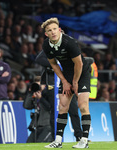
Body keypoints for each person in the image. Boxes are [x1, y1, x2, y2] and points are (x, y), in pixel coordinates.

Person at [41, 18, 91, 148]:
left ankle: (84, 141)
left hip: (82, 72)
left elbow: (79, 63)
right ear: (46, 34)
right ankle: (58, 141)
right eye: (49, 30)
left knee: (82, 105)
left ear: (59, 29)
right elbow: (53, 64)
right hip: (67, 75)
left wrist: (74, 82)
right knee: (62, 107)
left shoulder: (69, 42)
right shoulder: (46, 45)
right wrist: (64, 81)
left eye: (54, 29)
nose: (53, 32)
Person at [35, 50, 83, 142]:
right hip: (53, 85)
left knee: (73, 111)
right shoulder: (49, 47)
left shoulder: (68, 48)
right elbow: (39, 59)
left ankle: (79, 136)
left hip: (67, 84)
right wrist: (55, 65)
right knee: (55, 112)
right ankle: (55, 138)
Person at [23, 76, 54, 143]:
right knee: (28, 144)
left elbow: (50, 107)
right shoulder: (36, 95)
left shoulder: (49, 93)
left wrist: (41, 98)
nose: (38, 87)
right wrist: (30, 93)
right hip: (37, 126)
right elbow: (26, 106)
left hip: (48, 126)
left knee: (40, 143)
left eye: (39, 85)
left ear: (44, 85)